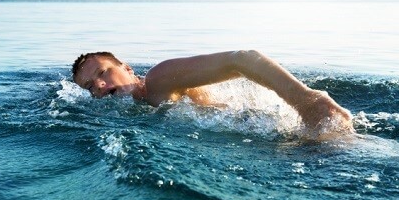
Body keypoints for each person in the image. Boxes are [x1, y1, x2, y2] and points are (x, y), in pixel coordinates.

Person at [72, 50, 353, 135]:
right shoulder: (130, 112)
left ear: (129, 69)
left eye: (102, 72)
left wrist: (308, 102)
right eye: (89, 87)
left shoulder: (159, 80)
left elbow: (242, 59)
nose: (98, 85)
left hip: (286, 128)